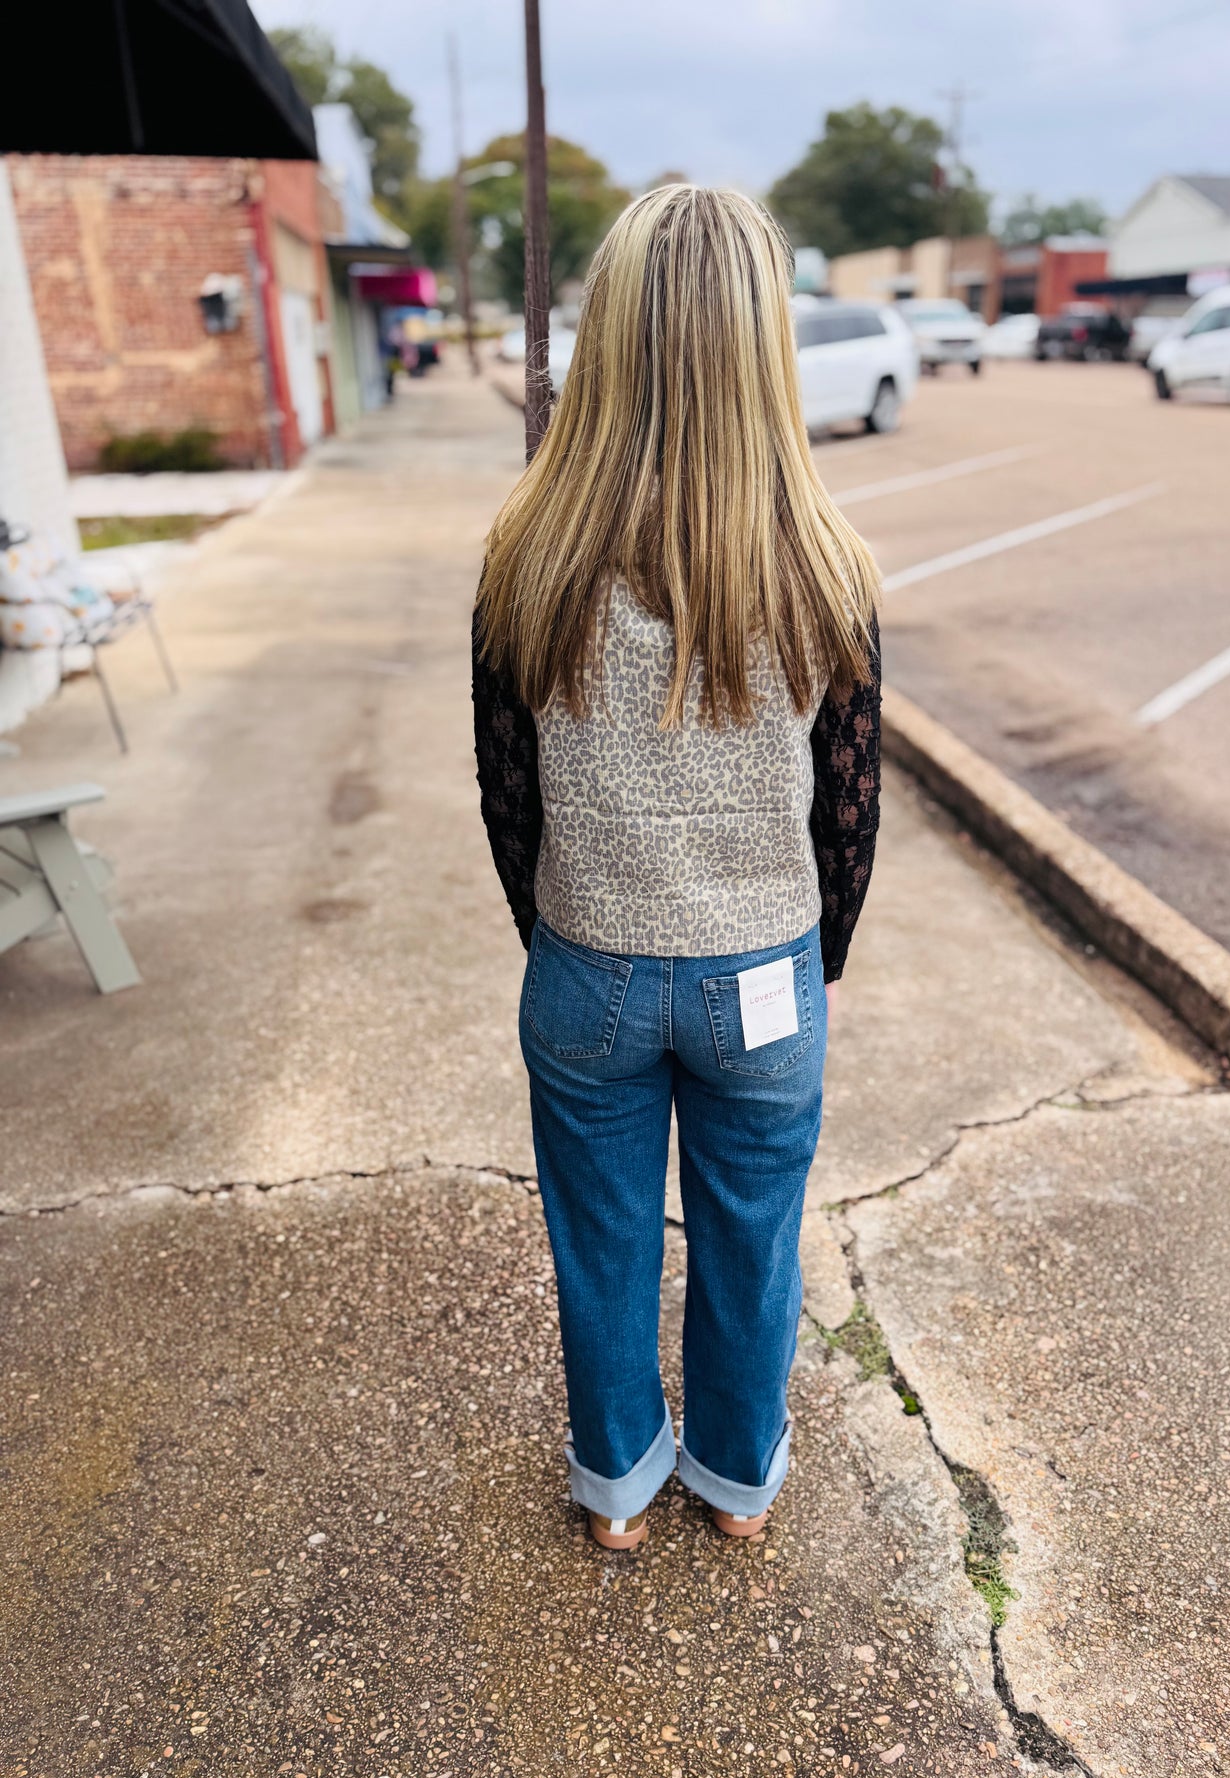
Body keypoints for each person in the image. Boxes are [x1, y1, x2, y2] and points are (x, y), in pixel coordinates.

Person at [471, 184, 881, 1551]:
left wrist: (562, 932)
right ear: (763, 347)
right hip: (762, 966)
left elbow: (507, 798)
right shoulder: (826, 564)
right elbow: (847, 811)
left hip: (584, 964)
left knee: (599, 1246)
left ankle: (615, 1493)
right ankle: (737, 1485)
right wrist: (804, 964)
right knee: (752, 1242)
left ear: (610, 341)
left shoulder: (527, 555)